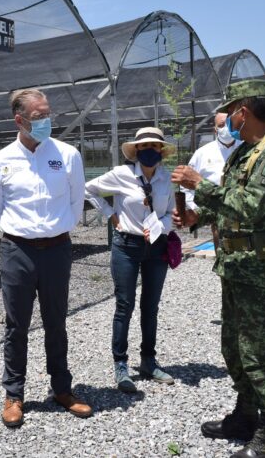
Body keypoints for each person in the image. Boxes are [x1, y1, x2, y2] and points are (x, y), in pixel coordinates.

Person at [172, 79, 265, 458]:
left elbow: (252, 207)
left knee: (264, 353)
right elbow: (231, 203)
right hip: (236, 268)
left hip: (264, 272)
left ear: (243, 112)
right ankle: (245, 415)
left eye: (231, 112)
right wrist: (198, 214)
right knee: (235, 347)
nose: (228, 119)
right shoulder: (248, 151)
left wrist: (200, 185)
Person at [0, 88, 91, 428]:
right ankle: (14, 394)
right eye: (39, 117)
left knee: (56, 321)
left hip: (57, 249)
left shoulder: (67, 154)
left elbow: (77, 201)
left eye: (49, 115)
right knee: (16, 325)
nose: (47, 121)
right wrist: (25, 232)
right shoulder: (0, 161)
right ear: (20, 120)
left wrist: (56, 230)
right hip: (18, 250)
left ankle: (62, 389)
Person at [84, 127, 176, 393]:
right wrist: (110, 211)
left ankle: (148, 360)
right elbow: (89, 190)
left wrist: (161, 225)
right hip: (127, 245)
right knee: (125, 305)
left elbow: (170, 212)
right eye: (144, 146)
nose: (149, 151)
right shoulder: (121, 175)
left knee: (151, 306)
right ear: (136, 151)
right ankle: (121, 364)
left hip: (156, 247)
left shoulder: (164, 178)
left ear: (161, 151)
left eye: (155, 146)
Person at [181, 112, 242, 211]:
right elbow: (185, 184)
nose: (226, 128)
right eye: (221, 125)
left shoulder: (246, 148)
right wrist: (197, 210)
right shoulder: (202, 153)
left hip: (240, 214)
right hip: (210, 216)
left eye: (228, 123)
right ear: (215, 130)